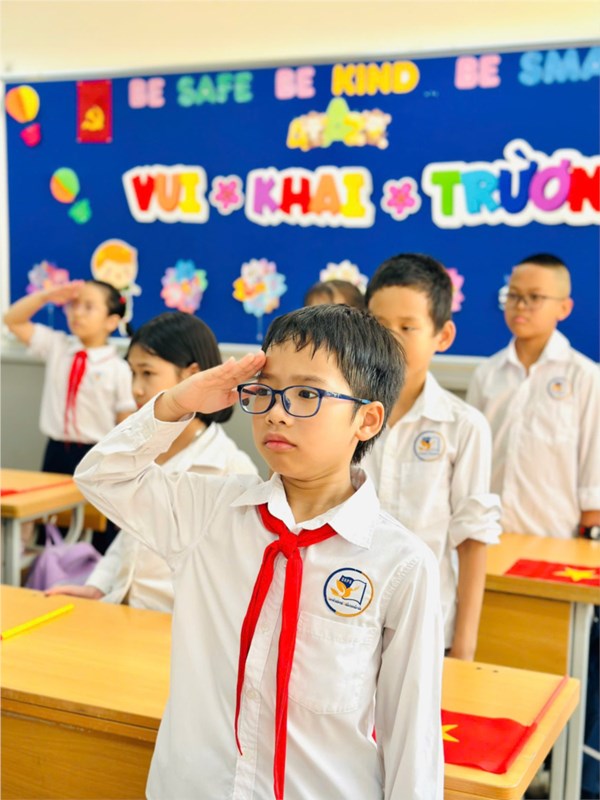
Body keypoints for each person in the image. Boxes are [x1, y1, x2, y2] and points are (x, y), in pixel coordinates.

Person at [74, 303, 444, 800]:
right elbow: (101, 477)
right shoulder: (210, 513)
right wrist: (179, 401)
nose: (276, 411)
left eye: (307, 394)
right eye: (265, 391)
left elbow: (412, 738)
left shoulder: (399, 563)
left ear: (367, 419)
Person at [466, 252, 600, 799]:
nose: (520, 306)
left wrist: (588, 532)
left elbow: (592, 472)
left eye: (534, 297)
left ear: (563, 307)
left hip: (554, 554)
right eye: (513, 295)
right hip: (491, 548)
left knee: (559, 675)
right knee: (495, 669)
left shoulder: (584, 377)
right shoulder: (487, 373)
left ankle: (563, 776)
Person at [46, 311, 258, 611]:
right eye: (132, 373)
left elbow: (235, 580)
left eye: (147, 373)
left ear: (192, 374)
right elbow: (131, 534)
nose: (136, 388)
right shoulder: (142, 450)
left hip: (173, 623)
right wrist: (98, 586)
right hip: (123, 611)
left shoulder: (229, 467)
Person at [364, 252, 501, 659]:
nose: (391, 339)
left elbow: (472, 539)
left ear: (443, 336)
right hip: (344, 617)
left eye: (408, 327)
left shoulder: (464, 426)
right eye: (379, 325)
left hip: (427, 627)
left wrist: (464, 646)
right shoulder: (342, 413)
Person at [3, 279, 136, 552]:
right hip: (55, 453)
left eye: (88, 307)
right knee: (50, 529)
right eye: (74, 305)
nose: (77, 313)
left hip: (96, 457)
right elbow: (12, 320)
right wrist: (46, 295)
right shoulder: (58, 347)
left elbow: (126, 423)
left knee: (94, 532)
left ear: (111, 321)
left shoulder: (118, 368)